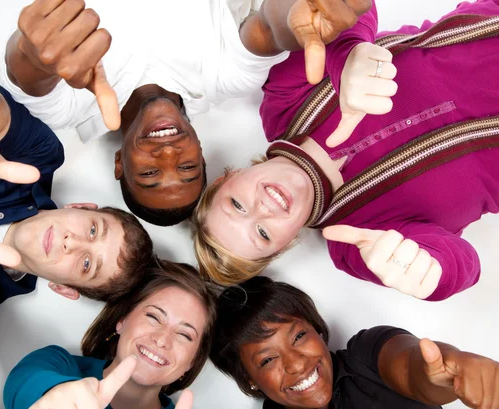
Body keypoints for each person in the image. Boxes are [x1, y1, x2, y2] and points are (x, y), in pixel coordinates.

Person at [192, 0, 499, 300]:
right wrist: (433, 272)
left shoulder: (283, 101)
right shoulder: (355, 244)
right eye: (262, 234)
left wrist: (348, 52)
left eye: (237, 205)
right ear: (284, 245)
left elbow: (338, 9)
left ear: (227, 178)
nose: (263, 210)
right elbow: (463, 266)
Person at [1, 0, 372, 226]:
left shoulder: (69, 109)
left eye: (149, 173)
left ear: (119, 164)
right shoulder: (225, 79)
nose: (168, 155)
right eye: (187, 168)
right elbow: (266, 29)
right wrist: (294, 14)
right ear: (201, 151)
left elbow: (27, 73)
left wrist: (34, 55)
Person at [0, 70, 153, 357]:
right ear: (81, 207)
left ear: (64, 288)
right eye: (93, 230)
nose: (73, 242)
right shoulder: (40, 156)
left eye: (86, 264)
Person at [211, 276, 499, 409]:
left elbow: (418, 372)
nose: (296, 364)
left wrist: (450, 370)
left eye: (298, 336)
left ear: (317, 329)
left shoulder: (367, 354)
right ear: (248, 378)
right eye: (269, 359)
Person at [4, 260, 217, 409]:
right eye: (154, 317)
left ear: (192, 362)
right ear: (122, 321)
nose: (162, 339)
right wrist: (52, 405)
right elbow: (24, 389)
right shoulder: (54, 363)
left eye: (185, 335)